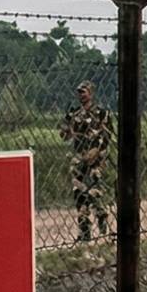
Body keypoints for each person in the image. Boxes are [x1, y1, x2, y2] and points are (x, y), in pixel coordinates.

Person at [60, 80, 113, 243]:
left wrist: (97, 152)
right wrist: (67, 130)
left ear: (91, 93)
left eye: (84, 91)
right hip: (79, 156)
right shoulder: (73, 113)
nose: (81, 95)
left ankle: (101, 213)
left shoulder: (101, 113)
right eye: (79, 92)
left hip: (95, 156)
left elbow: (108, 136)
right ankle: (84, 230)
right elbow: (64, 135)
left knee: (93, 189)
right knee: (79, 193)